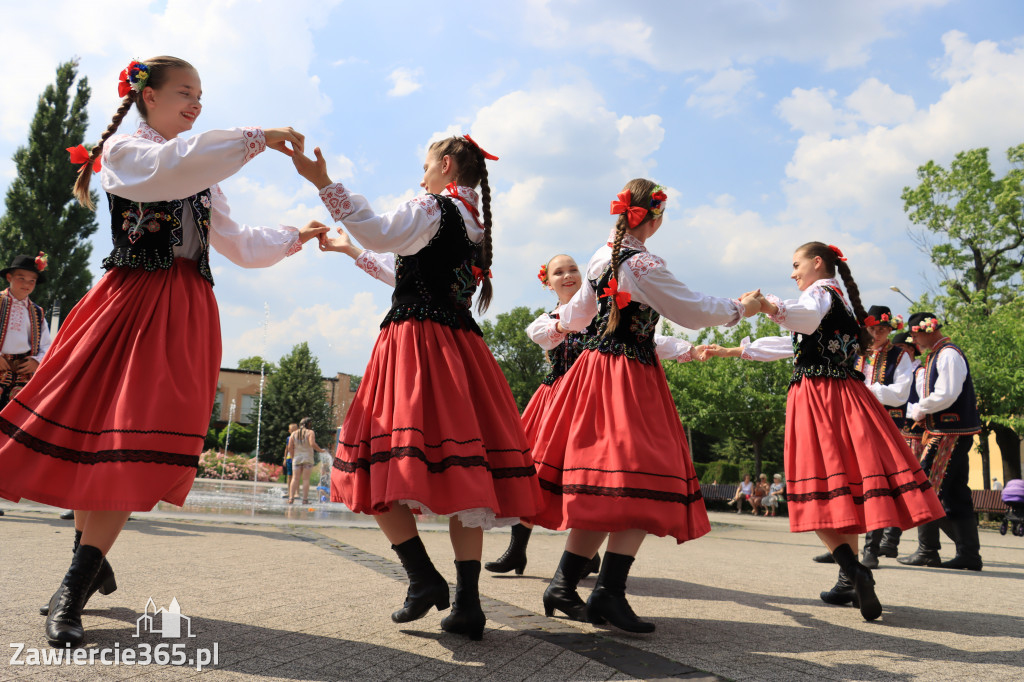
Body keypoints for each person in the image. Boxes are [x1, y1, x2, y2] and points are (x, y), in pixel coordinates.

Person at [0, 56, 326, 647]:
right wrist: (258, 136)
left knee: (127, 441)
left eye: (201, 93)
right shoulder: (128, 153)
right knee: (95, 436)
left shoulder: (197, 167)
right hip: (128, 302)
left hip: (179, 308)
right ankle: (80, 578)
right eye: (185, 91)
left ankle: (77, 579)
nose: (197, 102)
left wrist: (294, 235)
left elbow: (240, 244)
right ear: (146, 96)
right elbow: (171, 168)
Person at [294, 134, 543, 641]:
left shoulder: (431, 204)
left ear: (445, 165)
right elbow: (407, 267)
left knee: (372, 460)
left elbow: (386, 234)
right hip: (460, 349)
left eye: (425, 164)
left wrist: (323, 182)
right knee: (466, 477)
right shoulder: (474, 222)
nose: (420, 175)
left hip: (414, 345)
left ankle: (422, 577)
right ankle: (467, 604)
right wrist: (351, 252)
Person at [527, 179, 759, 633]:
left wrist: (548, 330)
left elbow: (576, 317)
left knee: (609, 488)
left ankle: (564, 584)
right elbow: (692, 309)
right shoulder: (644, 262)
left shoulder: (602, 256)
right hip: (628, 376)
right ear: (655, 217)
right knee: (641, 483)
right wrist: (741, 307)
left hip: (596, 372)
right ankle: (607, 593)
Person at [703, 242, 944, 621]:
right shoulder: (842, 302)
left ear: (818, 263)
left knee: (815, 490)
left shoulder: (818, 294)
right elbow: (798, 343)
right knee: (842, 490)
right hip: (848, 396)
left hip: (818, 396)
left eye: (796, 264)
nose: (793, 273)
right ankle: (849, 581)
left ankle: (855, 570)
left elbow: (804, 321)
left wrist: (766, 305)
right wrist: (734, 351)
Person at [897, 312, 984, 571]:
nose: (913, 339)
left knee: (924, 486)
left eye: (915, 334)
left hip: (949, 432)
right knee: (956, 492)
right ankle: (968, 553)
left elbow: (946, 393)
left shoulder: (948, 354)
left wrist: (918, 409)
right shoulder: (938, 354)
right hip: (948, 431)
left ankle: (928, 550)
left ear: (928, 330)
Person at [855, 305, 914, 568]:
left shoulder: (900, 356)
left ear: (890, 331)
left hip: (884, 426)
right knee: (851, 482)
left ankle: (871, 548)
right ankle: (845, 544)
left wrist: (865, 390)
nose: (876, 333)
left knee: (876, 485)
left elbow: (900, 394)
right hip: (855, 423)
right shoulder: (854, 351)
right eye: (872, 328)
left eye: (882, 329)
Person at [0, 253, 52, 411]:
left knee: (19, 415)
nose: (26, 284)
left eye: (32, 280)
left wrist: (36, 361)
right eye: (21, 278)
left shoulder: (37, 312)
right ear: (9, 277)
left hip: (23, 372)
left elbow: (46, 345)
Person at [288, 418, 322, 504]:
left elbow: (290, 447)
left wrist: (293, 457)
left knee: (295, 478)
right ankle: (305, 499)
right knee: (306, 479)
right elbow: (312, 444)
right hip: (308, 458)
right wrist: (320, 450)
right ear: (309, 424)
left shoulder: (293, 433)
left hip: (297, 458)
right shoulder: (310, 432)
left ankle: (291, 498)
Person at [282, 423, 297, 498]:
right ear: (289, 431)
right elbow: (287, 449)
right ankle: (289, 492)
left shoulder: (298, 438)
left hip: (297, 458)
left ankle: (297, 493)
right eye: (292, 430)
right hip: (289, 459)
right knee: (289, 476)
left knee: (296, 476)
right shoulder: (288, 438)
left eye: (295, 429)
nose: (294, 431)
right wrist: (284, 459)